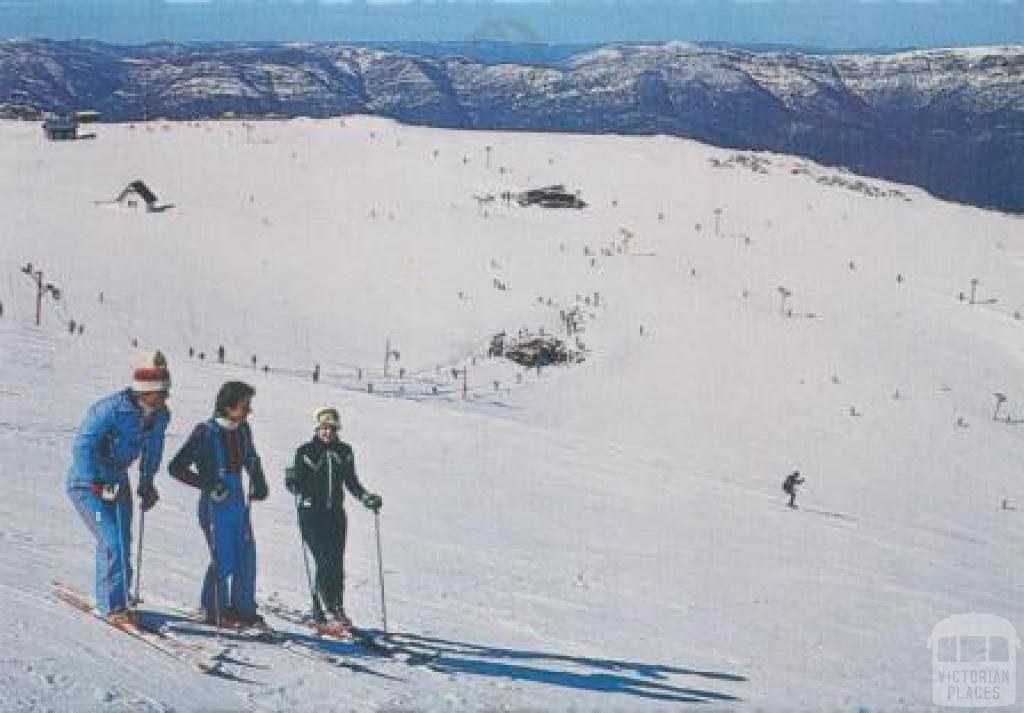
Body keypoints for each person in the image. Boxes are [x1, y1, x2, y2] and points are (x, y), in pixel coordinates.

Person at [66, 352, 171, 625]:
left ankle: (120, 598)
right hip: (87, 483)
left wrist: (147, 482)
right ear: (146, 392)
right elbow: (82, 446)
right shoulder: (109, 410)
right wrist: (94, 482)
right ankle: (111, 607)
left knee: (123, 541)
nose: (166, 398)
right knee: (111, 542)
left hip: (117, 479)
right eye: (162, 392)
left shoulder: (160, 416)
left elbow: (153, 448)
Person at [168, 381, 268, 627]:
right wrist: (209, 483)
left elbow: (251, 459)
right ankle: (214, 610)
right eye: (245, 406)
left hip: (238, 500)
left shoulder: (243, 429)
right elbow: (176, 467)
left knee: (246, 555)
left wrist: (258, 480)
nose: (249, 411)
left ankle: (243, 610)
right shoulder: (206, 432)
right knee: (223, 557)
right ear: (228, 406)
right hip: (214, 504)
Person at [287, 407, 382, 635]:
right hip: (311, 513)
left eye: (331, 428)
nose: (327, 432)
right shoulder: (306, 451)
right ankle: (322, 611)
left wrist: (365, 497)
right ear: (317, 428)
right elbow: (296, 479)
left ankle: (337, 606)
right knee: (324, 560)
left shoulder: (344, 451)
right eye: (323, 428)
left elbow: (351, 481)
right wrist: (293, 483)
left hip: (335, 515)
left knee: (336, 563)